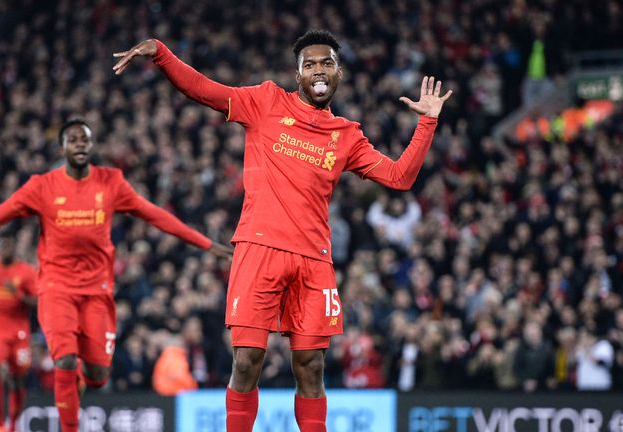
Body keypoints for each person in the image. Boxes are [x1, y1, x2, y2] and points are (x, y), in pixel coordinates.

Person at [114, 30, 452, 431]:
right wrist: (162, 55)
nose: (319, 70)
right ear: (298, 75)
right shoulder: (266, 102)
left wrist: (427, 122)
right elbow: (205, 90)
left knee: (311, 367)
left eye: (327, 63)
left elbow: (399, 177)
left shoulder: (347, 135)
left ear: (339, 73)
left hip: (314, 260)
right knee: (247, 361)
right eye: (309, 64)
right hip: (259, 250)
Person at [0, 119, 232, 432]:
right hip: (56, 289)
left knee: (97, 373)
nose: (79, 143)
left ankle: (79, 384)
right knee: (64, 360)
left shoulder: (111, 183)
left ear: (91, 145)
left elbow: (156, 216)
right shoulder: (42, 187)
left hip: (98, 291)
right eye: (72, 139)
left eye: (84, 138)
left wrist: (205, 244)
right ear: (61, 147)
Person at [0, 236, 38, 432]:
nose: (5, 249)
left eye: (8, 245)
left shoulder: (27, 272)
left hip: (19, 332)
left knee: (17, 379)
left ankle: (13, 425)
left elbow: (38, 302)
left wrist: (19, 295)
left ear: (14, 249)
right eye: (2, 245)